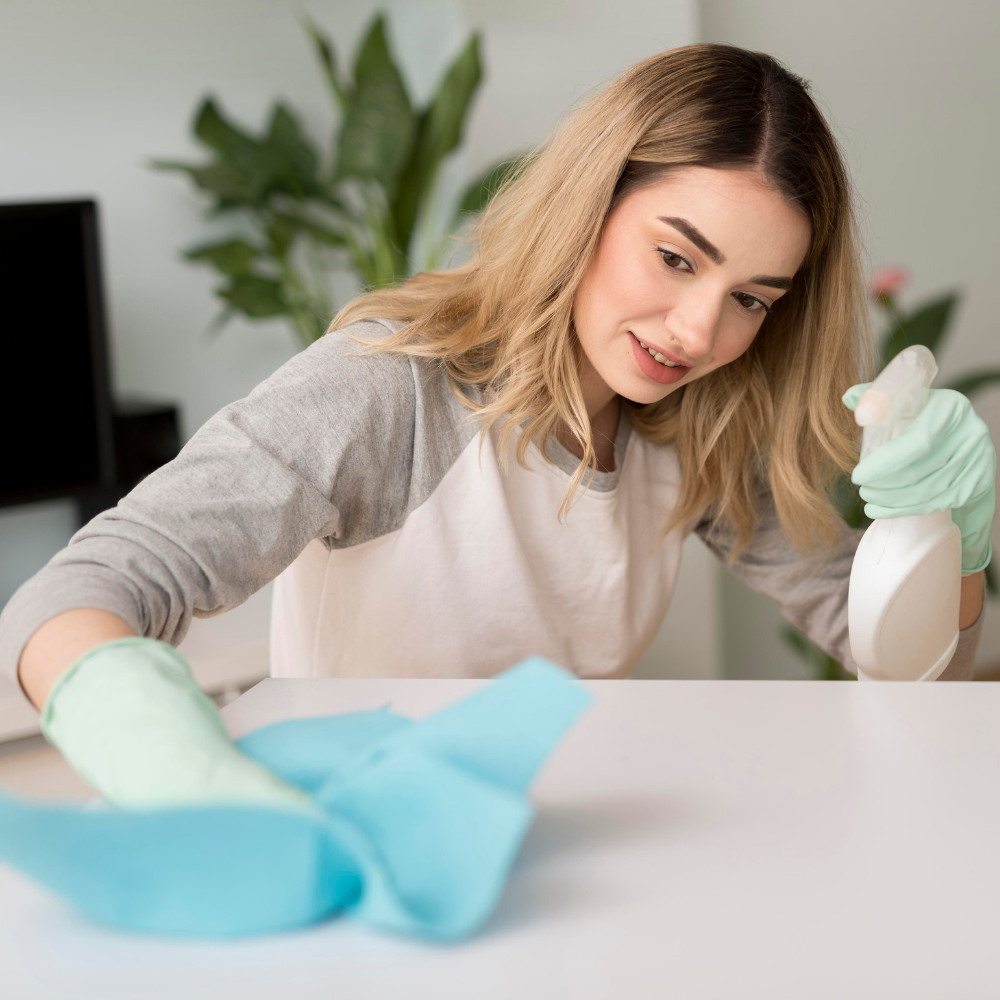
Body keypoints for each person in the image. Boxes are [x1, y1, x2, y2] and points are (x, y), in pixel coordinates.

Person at [1, 45, 994, 811]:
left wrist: (944, 542)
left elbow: (918, 667)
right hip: (364, 834)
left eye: (754, 299)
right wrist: (159, 752)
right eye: (676, 257)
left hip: (558, 838)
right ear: (586, 206)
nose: (701, 332)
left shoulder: (694, 419)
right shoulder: (393, 392)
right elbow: (78, 593)